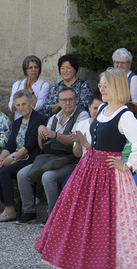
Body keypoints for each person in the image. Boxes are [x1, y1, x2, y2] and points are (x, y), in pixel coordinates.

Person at [34, 68, 137, 268]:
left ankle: (107, 261)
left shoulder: (124, 115)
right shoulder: (102, 109)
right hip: (88, 169)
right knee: (79, 216)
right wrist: (88, 145)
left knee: (104, 220)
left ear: (117, 86)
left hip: (110, 175)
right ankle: (77, 259)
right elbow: (99, 140)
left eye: (105, 85)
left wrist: (127, 164)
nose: (101, 88)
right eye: (100, 85)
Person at [15, 87, 89, 225]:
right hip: (51, 159)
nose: (67, 103)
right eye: (64, 100)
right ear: (59, 102)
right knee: (21, 174)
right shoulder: (55, 117)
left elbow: (74, 140)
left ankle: (53, 215)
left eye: (70, 99)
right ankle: (29, 212)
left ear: (75, 100)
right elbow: (43, 146)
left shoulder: (82, 116)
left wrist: (54, 135)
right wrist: (40, 132)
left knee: (48, 177)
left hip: (72, 161)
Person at [0, 89, 46, 221]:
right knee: (1, 168)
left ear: (31, 103)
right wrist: (2, 159)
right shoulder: (18, 121)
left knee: (5, 172)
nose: (21, 107)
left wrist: (12, 158)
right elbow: (10, 145)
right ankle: (11, 204)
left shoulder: (39, 119)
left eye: (24, 104)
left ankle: (10, 210)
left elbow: (31, 144)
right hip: (17, 158)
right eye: (18, 105)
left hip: (31, 158)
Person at [60, 93, 103, 189]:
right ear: (89, 107)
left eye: (101, 108)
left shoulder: (107, 126)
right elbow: (77, 154)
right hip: (84, 166)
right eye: (95, 108)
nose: (98, 111)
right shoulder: (82, 124)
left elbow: (102, 155)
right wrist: (78, 142)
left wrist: (86, 144)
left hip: (100, 169)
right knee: (66, 186)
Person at [43, 54, 93, 118]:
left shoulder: (83, 86)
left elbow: (85, 107)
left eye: (68, 68)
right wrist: (59, 104)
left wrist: (64, 102)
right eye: (62, 68)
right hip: (57, 123)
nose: (65, 71)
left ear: (75, 69)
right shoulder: (55, 88)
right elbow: (46, 109)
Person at [8, 55, 50, 120]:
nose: (33, 70)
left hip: (35, 123)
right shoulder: (17, 84)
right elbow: (12, 108)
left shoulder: (44, 85)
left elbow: (37, 107)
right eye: (30, 67)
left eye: (36, 67)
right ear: (25, 70)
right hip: (19, 122)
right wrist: (23, 93)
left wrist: (30, 89)